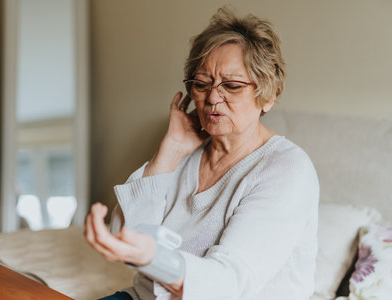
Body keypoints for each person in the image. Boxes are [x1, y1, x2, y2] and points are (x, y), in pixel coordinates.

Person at [84, 8, 319, 300]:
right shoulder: (188, 150)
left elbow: (229, 283)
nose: (211, 98)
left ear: (268, 95)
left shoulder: (287, 168)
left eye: (231, 86)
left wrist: (152, 257)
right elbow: (125, 234)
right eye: (201, 84)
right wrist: (169, 150)